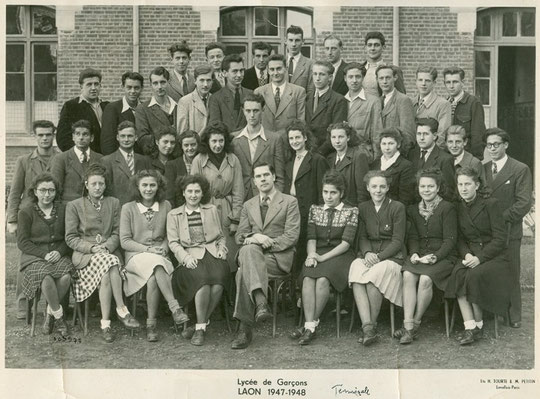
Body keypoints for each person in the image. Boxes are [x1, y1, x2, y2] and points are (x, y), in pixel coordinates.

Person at [65, 164, 140, 343]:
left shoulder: (113, 203)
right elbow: (70, 237)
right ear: (86, 185)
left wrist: (106, 247)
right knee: (110, 264)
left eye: (101, 183)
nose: (97, 187)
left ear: (105, 185)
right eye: (94, 184)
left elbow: (117, 232)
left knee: (107, 270)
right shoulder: (74, 205)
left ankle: (105, 324)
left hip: (109, 253)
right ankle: (122, 310)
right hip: (85, 257)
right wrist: (91, 248)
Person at [231, 163, 301, 349]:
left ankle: (244, 330)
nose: (262, 179)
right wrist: (254, 236)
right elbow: (240, 235)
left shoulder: (289, 202)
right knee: (248, 251)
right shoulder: (248, 205)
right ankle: (261, 303)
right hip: (254, 256)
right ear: (254, 181)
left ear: (274, 177)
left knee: (242, 270)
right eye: (258, 176)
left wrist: (264, 242)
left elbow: (292, 236)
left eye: (266, 175)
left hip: (277, 258)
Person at [120, 169, 189, 342]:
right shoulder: (128, 208)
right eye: (144, 185)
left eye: (152, 185)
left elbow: (169, 234)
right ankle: (175, 308)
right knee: (157, 264)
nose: (148, 189)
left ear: (159, 187)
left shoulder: (166, 206)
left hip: (160, 254)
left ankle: (151, 326)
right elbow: (125, 241)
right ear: (138, 187)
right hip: (136, 256)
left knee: (153, 277)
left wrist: (164, 248)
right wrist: (148, 249)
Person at [445, 167, 511, 345]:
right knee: (458, 274)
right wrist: (466, 254)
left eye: (467, 184)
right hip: (470, 255)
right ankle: (470, 327)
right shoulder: (457, 207)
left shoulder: (491, 204)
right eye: (460, 184)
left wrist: (480, 258)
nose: (463, 188)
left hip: (493, 257)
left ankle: (479, 326)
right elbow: (458, 238)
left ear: (477, 185)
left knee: (473, 275)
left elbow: (500, 239)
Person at [293, 171, 358, 345]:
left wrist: (322, 258)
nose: (328, 197)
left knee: (322, 279)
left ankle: (308, 326)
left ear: (341, 193)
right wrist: (312, 255)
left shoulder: (351, 211)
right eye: (325, 192)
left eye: (333, 193)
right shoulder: (315, 210)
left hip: (341, 255)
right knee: (307, 277)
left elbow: (346, 243)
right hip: (318, 251)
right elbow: (311, 238)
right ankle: (310, 325)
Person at [167, 174, 230, 346]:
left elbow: (220, 236)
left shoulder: (211, 210)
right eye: (190, 191)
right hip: (189, 256)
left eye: (197, 191)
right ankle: (201, 327)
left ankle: (199, 326)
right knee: (202, 281)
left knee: (218, 282)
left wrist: (221, 249)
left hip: (211, 253)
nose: (193, 195)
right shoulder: (174, 214)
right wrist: (185, 258)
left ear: (202, 194)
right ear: (183, 193)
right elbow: (173, 243)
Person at [396, 168, 457, 344]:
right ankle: (407, 324)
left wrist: (436, 257)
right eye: (423, 186)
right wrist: (414, 253)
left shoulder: (447, 208)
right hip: (421, 254)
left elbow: (450, 240)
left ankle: (415, 323)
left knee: (425, 279)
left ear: (438, 188)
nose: (426, 190)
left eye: (431, 186)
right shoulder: (414, 210)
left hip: (443, 257)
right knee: (407, 274)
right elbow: (414, 237)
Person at [7, 120, 61, 318]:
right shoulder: (24, 160)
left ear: (53, 135)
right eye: (40, 135)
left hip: (52, 212)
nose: (45, 138)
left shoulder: (61, 158)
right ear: (35, 136)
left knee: (55, 252)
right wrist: (12, 218)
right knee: (27, 254)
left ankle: (55, 301)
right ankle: (23, 302)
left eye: (48, 134)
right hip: (28, 214)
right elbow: (15, 192)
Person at [349, 170, 406, 346]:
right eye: (374, 186)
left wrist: (379, 257)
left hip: (391, 257)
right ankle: (368, 327)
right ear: (368, 188)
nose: (378, 190)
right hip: (369, 254)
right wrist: (367, 253)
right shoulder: (363, 207)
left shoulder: (397, 207)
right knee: (356, 270)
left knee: (374, 276)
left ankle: (371, 326)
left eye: (382, 186)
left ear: (388, 187)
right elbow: (363, 237)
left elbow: (398, 241)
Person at [483, 128, 532, 328]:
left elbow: (523, 203)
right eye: (489, 145)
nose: (492, 148)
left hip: (509, 229)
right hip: (486, 231)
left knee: (511, 270)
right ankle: (491, 311)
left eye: (496, 144)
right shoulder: (484, 169)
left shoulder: (519, 169)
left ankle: (513, 315)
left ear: (506, 145)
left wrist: (500, 219)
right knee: (489, 270)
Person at [17, 173, 74, 336]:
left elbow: (69, 236)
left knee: (65, 277)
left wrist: (59, 251)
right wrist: (43, 254)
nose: (47, 194)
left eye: (51, 190)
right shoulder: (25, 212)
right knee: (46, 276)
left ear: (56, 192)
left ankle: (50, 313)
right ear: (35, 191)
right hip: (35, 256)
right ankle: (59, 316)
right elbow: (22, 242)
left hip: (58, 254)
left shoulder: (64, 209)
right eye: (42, 190)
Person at [191, 121, 244, 272]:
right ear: (207, 141)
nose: (218, 145)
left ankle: (230, 292)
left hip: (228, 210)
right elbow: (193, 191)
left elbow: (238, 190)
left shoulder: (233, 159)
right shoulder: (199, 160)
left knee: (229, 254)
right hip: (206, 210)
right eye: (214, 141)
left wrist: (235, 219)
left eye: (221, 141)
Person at [284, 120, 329, 277]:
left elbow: (322, 191)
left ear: (305, 138)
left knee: (305, 249)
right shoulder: (289, 162)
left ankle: (303, 288)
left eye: (298, 137)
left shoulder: (317, 160)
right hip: (292, 211)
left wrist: (318, 214)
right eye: (291, 139)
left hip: (309, 212)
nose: (294, 141)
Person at [232, 93, 286, 198]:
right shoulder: (234, 139)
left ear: (263, 110)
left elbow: (279, 177)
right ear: (243, 111)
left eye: (255, 111)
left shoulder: (274, 139)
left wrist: (273, 199)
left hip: (266, 196)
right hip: (240, 196)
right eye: (248, 111)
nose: (252, 115)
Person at [50, 119, 103, 203]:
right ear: (73, 137)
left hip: (93, 208)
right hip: (69, 208)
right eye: (78, 134)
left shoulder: (100, 159)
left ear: (92, 138)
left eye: (85, 134)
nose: (81, 138)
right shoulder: (61, 159)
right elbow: (55, 188)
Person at [57, 68, 109, 152]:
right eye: (89, 84)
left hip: (106, 157)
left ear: (100, 86)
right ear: (81, 87)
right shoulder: (71, 106)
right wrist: (80, 155)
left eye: (96, 84)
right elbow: (63, 139)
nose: (93, 88)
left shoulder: (107, 106)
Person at [101, 121, 152, 206]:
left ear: (136, 137)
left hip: (141, 208)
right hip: (118, 209)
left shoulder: (144, 160)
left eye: (130, 136)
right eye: (123, 136)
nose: (126, 139)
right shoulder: (107, 161)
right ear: (117, 137)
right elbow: (106, 191)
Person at [254, 54, 306, 133]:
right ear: (268, 71)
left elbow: (301, 121)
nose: (275, 73)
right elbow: (256, 120)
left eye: (279, 69)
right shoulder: (259, 92)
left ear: (286, 69)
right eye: (272, 69)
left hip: (288, 140)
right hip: (266, 140)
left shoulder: (298, 92)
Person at [408, 118, 456, 202]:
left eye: (425, 134)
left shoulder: (445, 159)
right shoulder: (411, 154)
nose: (421, 138)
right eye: (419, 134)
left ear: (434, 136)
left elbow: (449, 192)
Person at [443, 66, 485, 159]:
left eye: (455, 82)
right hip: (447, 157)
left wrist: (475, 159)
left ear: (463, 82)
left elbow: (478, 135)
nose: (451, 86)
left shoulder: (473, 103)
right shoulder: (444, 104)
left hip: (466, 156)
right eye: (448, 82)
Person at [306, 60, 348, 154]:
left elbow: (336, 132)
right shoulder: (307, 97)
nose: (317, 78)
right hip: (307, 151)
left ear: (330, 77)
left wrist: (319, 153)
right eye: (315, 74)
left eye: (322, 74)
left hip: (325, 153)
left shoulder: (338, 100)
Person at [344, 62, 383, 162]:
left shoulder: (373, 101)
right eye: (350, 77)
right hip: (343, 152)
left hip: (364, 153)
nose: (354, 81)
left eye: (358, 77)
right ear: (345, 78)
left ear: (363, 78)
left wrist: (376, 157)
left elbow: (377, 132)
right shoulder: (341, 100)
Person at [135, 66, 177, 155]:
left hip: (177, 159)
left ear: (168, 83)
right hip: (154, 159)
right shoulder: (142, 109)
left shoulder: (179, 106)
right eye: (155, 83)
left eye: (163, 82)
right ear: (151, 85)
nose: (159, 87)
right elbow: (143, 140)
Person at [326, 122, 370, 206]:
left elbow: (362, 191)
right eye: (333, 137)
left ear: (348, 138)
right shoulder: (330, 158)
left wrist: (359, 212)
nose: (337, 141)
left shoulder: (359, 156)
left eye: (341, 137)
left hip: (351, 207)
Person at [101, 72, 144, 155]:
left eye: (136, 88)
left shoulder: (145, 108)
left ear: (142, 88)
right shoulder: (112, 108)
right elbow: (107, 142)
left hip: (141, 160)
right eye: (129, 87)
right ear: (122, 87)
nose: (133, 91)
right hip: (119, 161)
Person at [376, 65, 415, 156]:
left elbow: (409, 135)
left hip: (397, 155)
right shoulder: (377, 101)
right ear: (377, 80)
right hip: (380, 155)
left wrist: (398, 155)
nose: (384, 81)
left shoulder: (403, 100)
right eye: (381, 78)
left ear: (395, 78)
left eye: (388, 78)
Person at [370, 127, 416, 205]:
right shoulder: (375, 164)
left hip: (395, 211)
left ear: (398, 145)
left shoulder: (406, 166)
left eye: (391, 143)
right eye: (384, 144)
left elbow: (405, 198)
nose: (387, 148)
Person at [208, 54, 252, 132]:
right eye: (235, 71)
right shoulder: (216, 98)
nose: (239, 75)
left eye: (241, 71)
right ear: (225, 73)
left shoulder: (251, 94)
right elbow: (215, 127)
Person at [413, 66, 452, 146]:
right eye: (420, 80)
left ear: (434, 83)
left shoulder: (442, 104)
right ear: (416, 82)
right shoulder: (410, 102)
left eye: (427, 81)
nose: (423, 84)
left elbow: (442, 135)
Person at [362, 31, 406, 97]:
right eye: (369, 45)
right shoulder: (359, 69)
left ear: (383, 47)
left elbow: (401, 97)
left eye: (376, 45)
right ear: (365, 48)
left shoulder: (393, 70)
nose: (372, 48)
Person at [164, 130, 200, 206]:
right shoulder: (172, 165)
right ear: (181, 146)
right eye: (186, 145)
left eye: (193, 144)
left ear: (198, 145)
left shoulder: (203, 162)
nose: (190, 148)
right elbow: (169, 195)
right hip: (180, 208)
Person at [177, 64, 213, 135]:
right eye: (202, 80)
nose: (205, 84)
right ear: (195, 81)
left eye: (208, 80)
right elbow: (182, 133)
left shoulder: (215, 99)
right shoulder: (185, 101)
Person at [285, 25, 314, 91]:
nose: (294, 44)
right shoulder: (280, 62)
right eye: (290, 40)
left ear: (303, 42)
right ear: (285, 41)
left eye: (297, 40)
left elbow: (311, 91)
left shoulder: (310, 64)